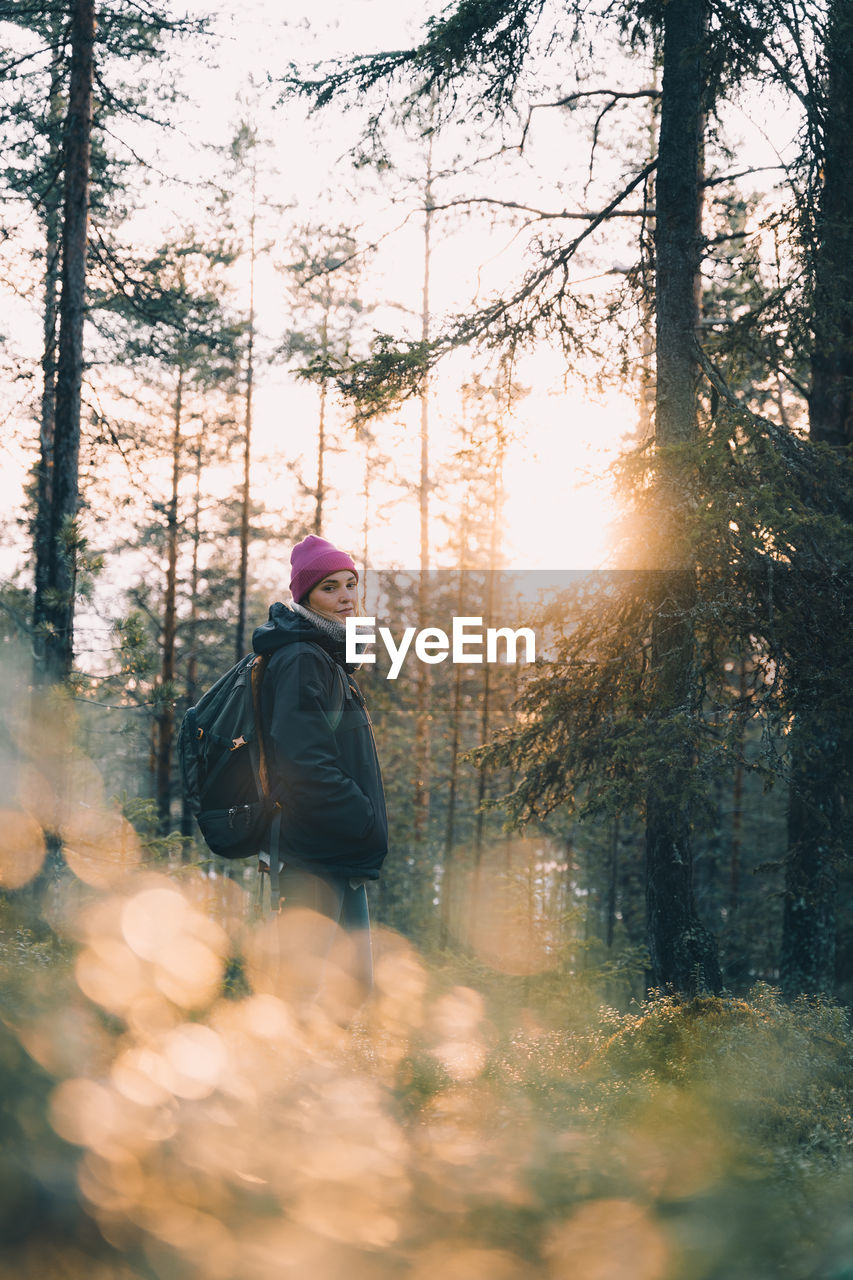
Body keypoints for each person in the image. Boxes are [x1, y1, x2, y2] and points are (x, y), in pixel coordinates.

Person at [251, 535, 388, 1012]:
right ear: (305, 595)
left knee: (352, 991)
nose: (347, 596)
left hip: (337, 853)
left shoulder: (326, 660)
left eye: (352, 584)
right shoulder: (301, 659)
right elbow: (303, 761)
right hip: (315, 854)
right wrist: (360, 816)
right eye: (331, 587)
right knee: (305, 993)